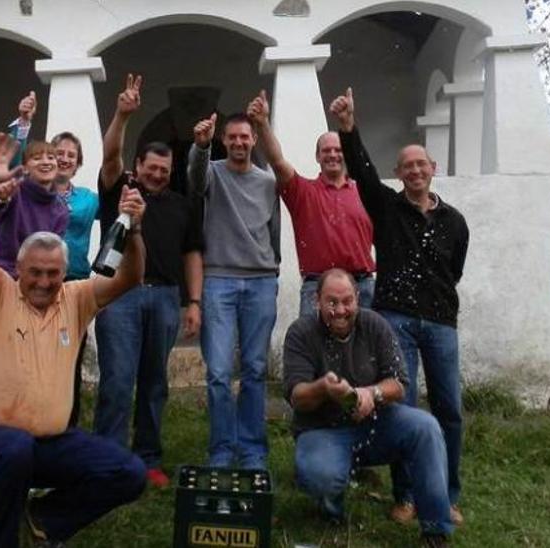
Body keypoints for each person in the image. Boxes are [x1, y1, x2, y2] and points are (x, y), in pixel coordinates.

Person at [0, 132, 149, 548]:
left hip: (50, 446)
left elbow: (131, 276)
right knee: (13, 445)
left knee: (129, 473)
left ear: (64, 273)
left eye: (52, 273)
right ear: (19, 271)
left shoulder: (75, 299)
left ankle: (44, 519)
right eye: (35, 273)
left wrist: (133, 231)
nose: (43, 282)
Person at [331, 87, 470, 526]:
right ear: (399, 172)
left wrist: (437, 301)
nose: (414, 171)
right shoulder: (387, 209)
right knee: (403, 409)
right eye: (406, 166)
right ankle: (407, 495)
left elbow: (455, 269)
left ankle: (446, 495)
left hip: (442, 323)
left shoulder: (455, 222)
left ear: (433, 170)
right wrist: (348, 128)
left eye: (421, 165)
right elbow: (364, 173)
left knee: (448, 409)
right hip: (397, 320)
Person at [284, 269, 453, 547]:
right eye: (331, 302)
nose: (340, 310)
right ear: (317, 300)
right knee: (320, 475)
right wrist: (323, 388)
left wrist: (371, 393)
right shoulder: (300, 332)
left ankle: (435, 529)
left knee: (426, 427)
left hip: (376, 423)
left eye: (347, 301)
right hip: (322, 429)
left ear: (358, 298)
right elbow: (296, 397)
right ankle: (331, 510)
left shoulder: (375, 324)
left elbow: (399, 384)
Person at [93, 74, 204, 487]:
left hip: (165, 298)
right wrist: (122, 114)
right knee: (118, 382)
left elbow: (193, 252)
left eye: (164, 170)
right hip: (120, 296)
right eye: (151, 168)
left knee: (155, 383)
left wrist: (194, 302)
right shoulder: (120, 190)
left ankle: (148, 457)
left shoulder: (181, 205)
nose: (157, 175)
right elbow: (109, 157)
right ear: (137, 166)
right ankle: (106, 457)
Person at [188, 111, 281, 470]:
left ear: (254, 139)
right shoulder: (211, 172)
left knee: (256, 369)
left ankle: (253, 449)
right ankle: (222, 449)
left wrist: (273, 271)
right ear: (223, 141)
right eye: (233, 138)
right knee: (219, 372)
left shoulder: (267, 182)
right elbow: (194, 181)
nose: (240, 143)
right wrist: (199, 146)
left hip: (260, 281)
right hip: (219, 281)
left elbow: (273, 232)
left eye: (245, 137)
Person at [246, 90, 376, 315]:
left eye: (338, 150)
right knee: (314, 350)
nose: (333, 155)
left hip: (362, 287)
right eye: (326, 151)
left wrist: (348, 121)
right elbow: (276, 161)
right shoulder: (302, 192)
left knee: (368, 350)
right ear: (317, 157)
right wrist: (262, 124)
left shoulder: (366, 192)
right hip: (316, 287)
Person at [0, 92, 69, 277]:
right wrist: (23, 121)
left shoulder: (60, 209)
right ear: (26, 167)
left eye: (51, 157)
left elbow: (52, 249)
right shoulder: (16, 188)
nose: (46, 162)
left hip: (32, 280)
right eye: (37, 158)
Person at [49, 130, 99, 427]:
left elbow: (116, 203)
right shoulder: (36, 191)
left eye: (71, 155)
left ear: (78, 164)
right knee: (40, 352)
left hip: (75, 283)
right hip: (40, 283)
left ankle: (68, 424)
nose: (65, 158)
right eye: (60, 153)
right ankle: (41, 420)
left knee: (72, 355)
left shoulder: (87, 199)